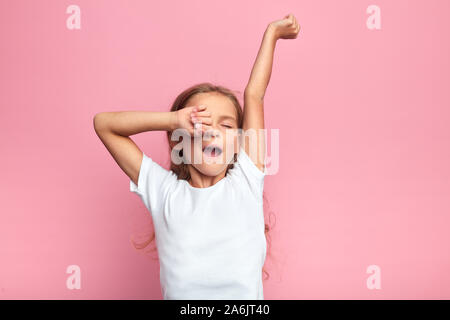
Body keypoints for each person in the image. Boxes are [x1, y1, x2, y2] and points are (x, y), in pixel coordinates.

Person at [93, 13, 300, 300]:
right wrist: (171, 119)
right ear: (179, 143)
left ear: (240, 144)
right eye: (199, 126)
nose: (212, 132)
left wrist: (272, 34)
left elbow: (254, 94)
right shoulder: (163, 192)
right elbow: (104, 125)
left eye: (226, 126)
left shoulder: (246, 180)